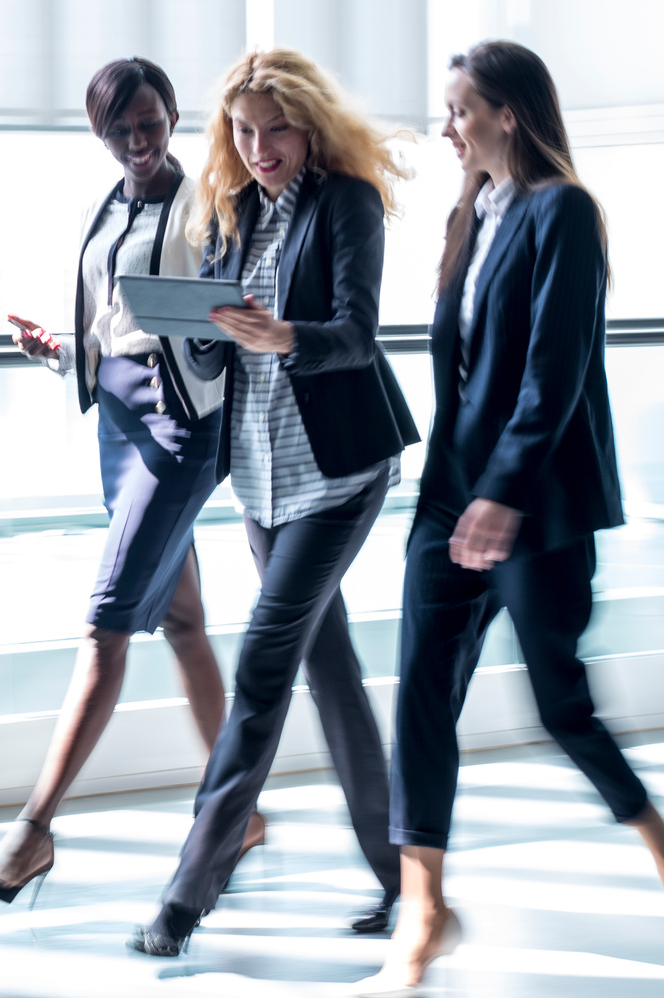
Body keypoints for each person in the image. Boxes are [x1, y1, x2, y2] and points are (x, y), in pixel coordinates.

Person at [354, 41, 664, 996]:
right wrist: (452, 489)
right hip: (452, 495)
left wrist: (504, 492)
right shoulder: (470, 214)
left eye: (459, 110)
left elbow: (552, 374)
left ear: (508, 114)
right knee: (422, 695)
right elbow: (463, 374)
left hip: (535, 501)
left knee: (562, 706)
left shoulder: (562, 212)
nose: (446, 127)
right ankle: (424, 912)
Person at [129, 48, 419, 956]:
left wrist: (283, 333)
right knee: (329, 674)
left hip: (336, 474)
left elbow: (356, 333)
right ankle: (405, 881)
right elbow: (223, 349)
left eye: (275, 129)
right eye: (243, 132)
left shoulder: (347, 201)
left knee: (260, 670)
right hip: (261, 477)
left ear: (309, 124)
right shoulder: (232, 209)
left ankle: (185, 897)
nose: (259, 148)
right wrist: (197, 330)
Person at [0, 56, 250, 903]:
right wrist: (60, 351)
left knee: (106, 624)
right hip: (119, 430)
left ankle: (33, 831)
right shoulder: (104, 204)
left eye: (150, 121)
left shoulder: (207, 206)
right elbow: (113, 320)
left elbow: (219, 325)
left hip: (179, 426)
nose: (137, 140)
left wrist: (209, 327)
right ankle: (243, 812)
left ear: (171, 114)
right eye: (119, 129)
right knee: (186, 624)